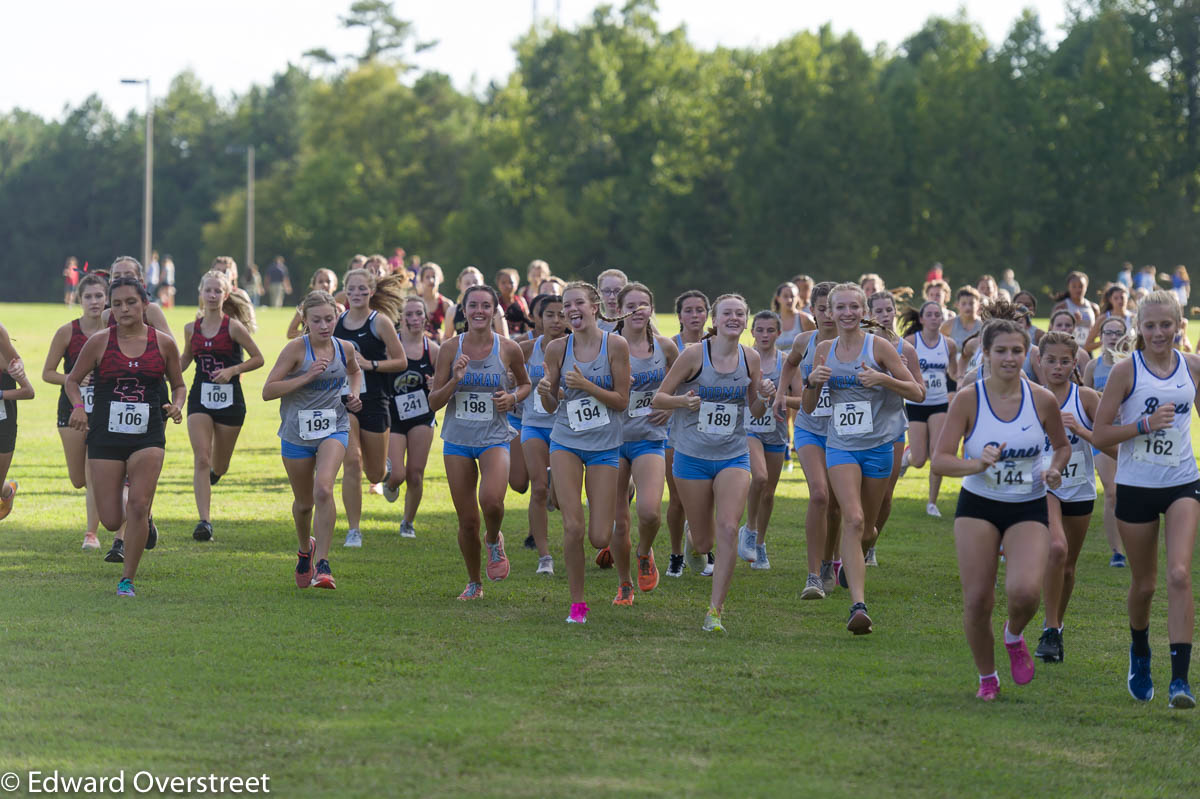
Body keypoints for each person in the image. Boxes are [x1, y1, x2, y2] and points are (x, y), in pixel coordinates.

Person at [933, 317, 1069, 700]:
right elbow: (940, 460)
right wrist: (976, 465)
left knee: (1025, 592)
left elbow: (1061, 446)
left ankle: (1013, 635)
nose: (1010, 358)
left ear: (1028, 355)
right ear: (986, 355)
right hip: (978, 505)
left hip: (1027, 505)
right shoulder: (968, 399)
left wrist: (1054, 470)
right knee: (978, 599)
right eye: (1002, 351)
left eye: (1017, 351)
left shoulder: (1041, 398)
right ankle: (987, 676)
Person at [1092, 290, 1200, 708]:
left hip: (1183, 481)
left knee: (1178, 574)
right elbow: (1100, 435)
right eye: (1150, 325)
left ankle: (1180, 681)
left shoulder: (1192, 368)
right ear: (1140, 328)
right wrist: (1142, 424)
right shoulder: (1125, 371)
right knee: (1145, 583)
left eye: (1166, 324)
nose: (1159, 332)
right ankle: (1140, 652)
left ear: (1178, 326)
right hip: (1136, 484)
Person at [803, 283, 923, 634]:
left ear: (864, 311)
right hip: (840, 445)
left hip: (879, 446)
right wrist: (812, 382)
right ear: (830, 311)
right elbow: (809, 408)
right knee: (853, 519)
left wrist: (883, 379)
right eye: (840, 308)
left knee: (867, 529)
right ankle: (859, 606)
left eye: (854, 307)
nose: (847, 313)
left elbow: (917, 391)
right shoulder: (824, 349)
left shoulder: (880, 347)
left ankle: (852, 558)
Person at [653, 293, 769, 633]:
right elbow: (659, 398)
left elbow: (755, 410)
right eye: (727, 313)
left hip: (733, 454)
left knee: (730, 528)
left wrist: (764, 394)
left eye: (739, 314)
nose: (733, 318)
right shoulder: (693, 356)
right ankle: (693, 539)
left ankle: (715, 612)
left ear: (745, 320)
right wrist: (683, 402)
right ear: (714, 321)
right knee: (704, 543)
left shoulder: (750, 358)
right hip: (691, 456)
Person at [65, 277, 187, 597]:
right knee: (109, 520)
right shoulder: (100, 342)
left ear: (145, 304)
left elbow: (179, 384)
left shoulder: (162, 343)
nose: (123, 309)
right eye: (116, 304)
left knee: (138, 507)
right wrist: (78, 407)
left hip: (148, 435)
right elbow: (72, 381)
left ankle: (127, 579)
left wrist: (176, 406)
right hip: (105, 436)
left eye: (130, 302)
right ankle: (130, 508)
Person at [429, 284, 530, 600]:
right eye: (473, 306)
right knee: (467, 521)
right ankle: (474, 583)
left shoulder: (508, 348)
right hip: (458, 439)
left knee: (491, 500)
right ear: (464, 310)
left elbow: (525, 385)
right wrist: (456, 380)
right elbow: (434, 402)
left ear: (495, 310)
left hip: (494, 437)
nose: (479, 311)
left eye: (486, 306)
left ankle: (494, 539)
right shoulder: (450, 348)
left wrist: (512, 397)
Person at [538, 282, 631, 620]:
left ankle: (622, 490)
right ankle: (577, 605)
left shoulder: (615, 346)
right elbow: (549, 407)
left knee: (598, 537)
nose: (571, 310)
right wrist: (547, 390)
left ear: (594, 307)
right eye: (566, 306)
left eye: (578, 303)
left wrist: (586, 386)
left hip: (606, 445)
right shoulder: (557, 350)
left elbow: (622, 402)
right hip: (566, 441)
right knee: (573, 527)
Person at [262, 290, 362, 591]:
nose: (324, 325)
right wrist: (305, 377)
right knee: (304, 504)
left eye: (329, 319)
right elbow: (268, 391)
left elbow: (355, 373)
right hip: (297, 433)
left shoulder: (344, 348)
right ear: (304, 320)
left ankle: (323, 563)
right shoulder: (295, 350)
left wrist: (354, 394)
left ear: (337, 317)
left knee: (324, 489)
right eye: (316, 320)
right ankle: (305, 550)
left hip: (334, 427)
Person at [1033, 331, 1107, 665]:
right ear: (1040, 361)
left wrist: (1080, 430)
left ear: (1074, 362)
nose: (1058, 367)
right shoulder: (1027, 397)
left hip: (1078, 488)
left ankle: (1056, 628)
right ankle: (1049, 628)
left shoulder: (1086, 398)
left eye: (1065, 361)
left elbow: (1115, 445)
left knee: (1068, 566)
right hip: (1042, 486)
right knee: (1056, 549)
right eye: (1051, 360)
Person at [180, 270, 264, 542]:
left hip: (230, 402)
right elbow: (184, 361)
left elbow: (258, 358)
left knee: (220, 465)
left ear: (226, 295)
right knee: (202, 457)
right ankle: (204, 522)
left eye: (218, 291)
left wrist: (233, 370)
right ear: (201, 294)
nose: (213, 295)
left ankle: (216, 474)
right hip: (200, 398)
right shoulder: (191, 328)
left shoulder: (233, 327)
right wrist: (161, 375)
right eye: (209, 290)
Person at [774, 281, 841, 598]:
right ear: (811, 311)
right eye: (822, 307)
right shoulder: (805, 340)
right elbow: (789, 363)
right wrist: (779, 393)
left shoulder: (855, 343)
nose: (828, 314)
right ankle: (813, 575)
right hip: (810, 427)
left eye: (834, 307)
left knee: (838, 505)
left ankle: (830, 562)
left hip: (845, 433)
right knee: (819, 495)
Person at [335, 270, 409, 548]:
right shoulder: (336, 322)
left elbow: (401, 361)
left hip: (376, 400)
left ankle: (386, 474)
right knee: (352, 462)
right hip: (344, 401)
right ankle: (354, 529)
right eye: (351, 289)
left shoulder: (381, 323)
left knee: (374, 473)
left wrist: (371, 365)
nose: (356, 293)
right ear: (345, 291)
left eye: (362, 289)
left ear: (371, 291)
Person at [613, 283, 677, 594]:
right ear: (619, 310)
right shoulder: (606, 347)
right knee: (619, 521)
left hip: (649, 437)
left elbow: (685, 380)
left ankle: (643, 552)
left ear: (651, 309)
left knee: (650, 512)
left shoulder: (665, 348)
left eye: (644, 304)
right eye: (631, 305)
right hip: (610, 440)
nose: (638, 310)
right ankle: (624, 584)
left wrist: (669, 407)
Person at [43, 273, 109, 547]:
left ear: (107, 299)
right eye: (88, 297)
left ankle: (91, 534)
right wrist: (72, 378)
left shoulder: (114, 332)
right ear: (79, 300)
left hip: (103, 411)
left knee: (93, 471)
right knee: (78, 478)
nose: (94, 302)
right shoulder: (67, 332)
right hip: (71, 409)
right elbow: (47, 373)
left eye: (99, 296)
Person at [866, 291, 924, 566]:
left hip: (891, 426)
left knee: (886, 495)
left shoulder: (906, 350)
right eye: (879, 310)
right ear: (868, 314)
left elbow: (919, 393)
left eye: (889, 309)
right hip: (858, 429)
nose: (885, 315)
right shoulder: (858, 345)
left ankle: (870, 543)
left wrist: (891, 379)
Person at [382, 297, 439, 538]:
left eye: (419, 314)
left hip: (422, 415)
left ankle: (408, 522)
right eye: (409, 314)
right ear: (401, 317)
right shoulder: (389, 346)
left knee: (416, 473)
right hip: (393, 415)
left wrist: (437, 384)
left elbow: (444, 384)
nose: (414, 319)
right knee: (397, 474)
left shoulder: (433, 349)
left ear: (426, 317)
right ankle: (390, 483)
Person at [663, 290, 710, 578]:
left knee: (708, 496)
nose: (695, 315)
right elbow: (661, 388)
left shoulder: (719, 345)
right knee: (678, 498)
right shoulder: (670, 347)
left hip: (712, 431)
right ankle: (676, 554)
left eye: (700, 310)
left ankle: (705, 545)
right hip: (675, 429)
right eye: (689, 310)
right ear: (679, 315)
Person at [520, 294, 567, 575]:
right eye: (550, 314)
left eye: (562, 315)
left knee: (561, 499)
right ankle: (544, 556)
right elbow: (510, 379)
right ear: (538, 318)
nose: (556, 320)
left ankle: (555, 487)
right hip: (534, 424)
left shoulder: (577, 349)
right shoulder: (525, 349)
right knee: (537, 488)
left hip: (566, 429)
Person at [738, 310, 787, 570]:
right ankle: (749, 529)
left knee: (768, 493)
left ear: (779, 333)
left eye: (771, 330)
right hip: (749, 427)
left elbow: (800, 399)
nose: (765, 334)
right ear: (752, 331)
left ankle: (760, 544)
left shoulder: (786, 362)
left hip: (776, 432)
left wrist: (778, 396)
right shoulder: (743, 358)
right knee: (759, 477)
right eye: (760, 330)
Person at [900, 301, 958, 517]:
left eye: (938, 314)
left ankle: (932, 503)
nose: (935, 318)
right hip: (916, 402)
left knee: (937, 454)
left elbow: (953, 371)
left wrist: (959, 382)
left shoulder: (949, 345)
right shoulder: (911, 342)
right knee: (919, 459)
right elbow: (901, 369)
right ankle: (907, 458)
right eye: (930, 315)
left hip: (939, 403)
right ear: (922, 319)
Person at [1083, 315, 1131, 567]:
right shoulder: (1093, 367)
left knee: (1131, 492)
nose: (1113, 336)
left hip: (1130, 434)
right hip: (1102, 435)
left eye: (1117, 332)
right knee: (1111, 491)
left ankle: (1135, 544)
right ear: (1101, 336)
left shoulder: (1132, 362)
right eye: (1108, 332)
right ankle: (1117, 552)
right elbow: (1085, 399)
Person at [0, 322, 34, 522]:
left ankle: (7, 490)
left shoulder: (4, 359)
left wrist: (1, 394)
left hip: (3, 425)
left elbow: (29, 392)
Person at [452, 266, 507, 337]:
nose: (472, 285)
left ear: (482, 283)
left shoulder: (495, 308)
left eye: (475, 282)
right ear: (460, 286)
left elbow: (505, 338)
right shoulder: (452, 311)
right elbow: (447, 337)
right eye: (467, 283)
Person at [287, 270, 343, 339]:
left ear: (335, 286)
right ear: (313, 285)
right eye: (320, 281)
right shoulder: (305, 306)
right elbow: (291, 333)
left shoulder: (339, 308)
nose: (324, 284)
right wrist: (313, 334)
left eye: (328, 282)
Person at [1051, 271, 1098, 349]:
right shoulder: (1061, 307)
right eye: (1074, 286)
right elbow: (1051, 331)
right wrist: (1072, 322)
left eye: (1081, 286)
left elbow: (1098, 331)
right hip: (1067, 349)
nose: (1078, 289)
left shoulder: (1094, 307)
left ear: (1086, 287)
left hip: (1087, 350)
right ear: (1068, 287)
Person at [1083, 284, 1134, 353]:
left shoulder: (1133, 318)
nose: (1120, 301)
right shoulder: (1103, 318)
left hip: (1129, 360)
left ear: (1127, 298)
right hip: (1108, 360)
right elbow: (1087, 346)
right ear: (1110, 300)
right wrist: (1105, 341)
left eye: (1122, 297)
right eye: (1116, 298)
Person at [772, 281, 814, 352]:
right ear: (778, 298)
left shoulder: (805, 319)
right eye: (785, 296)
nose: (789, 300)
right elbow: (759, 347)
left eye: (792, 296)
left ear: (798, 298)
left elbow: (818, 344)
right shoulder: (771, 321)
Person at [417, 263, 454, 341]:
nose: (431, 280)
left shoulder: (446, 304)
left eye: (434, 276)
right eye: (427, 277)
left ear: (440, 279)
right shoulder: (414, 302)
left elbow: (452, 333)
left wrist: (443, 335)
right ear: (421, 280)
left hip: (439, 346)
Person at [496, 268, 531, 338]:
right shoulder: (496, 303)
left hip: (521, 337)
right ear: (498, 284)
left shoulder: (521, 301)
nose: (507, 286)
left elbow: (528, 323)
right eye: (503, 283)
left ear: (517, 283)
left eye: (511, 282)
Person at [596, 268, 628, 332]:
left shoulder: (636, 322)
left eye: (617, 291)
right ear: (599, 293)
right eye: (607, 291)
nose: (612, 297)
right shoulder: (594, 327)